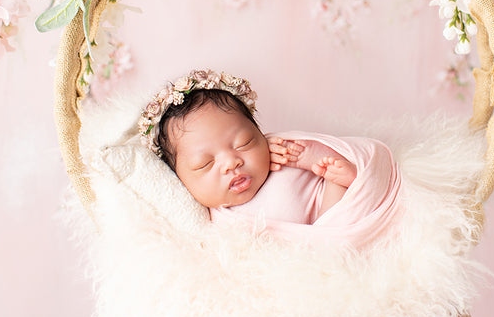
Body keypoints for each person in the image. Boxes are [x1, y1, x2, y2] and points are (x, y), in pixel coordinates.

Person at [138, 70, 402, 248]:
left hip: (338, 217)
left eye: (244, 143)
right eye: (205, 164)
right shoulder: (217, 223)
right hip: (312, 256)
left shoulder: (277, 155)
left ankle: (344, 185)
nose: (231, 162)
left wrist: (306, 157)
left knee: (332, 177)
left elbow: (318, 152)